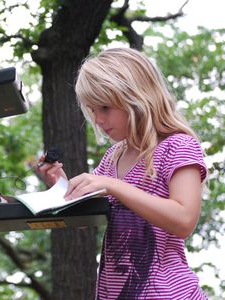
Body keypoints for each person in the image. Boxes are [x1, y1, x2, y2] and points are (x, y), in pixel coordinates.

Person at [36, 48, 208, 299]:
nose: (98, 120)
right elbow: (87, 220)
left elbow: (184, 221)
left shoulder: (177, 146)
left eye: (105, 107)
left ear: (137, 96)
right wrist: (60, 186)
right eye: (93, 110)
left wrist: (114, 186)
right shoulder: (112, 157)